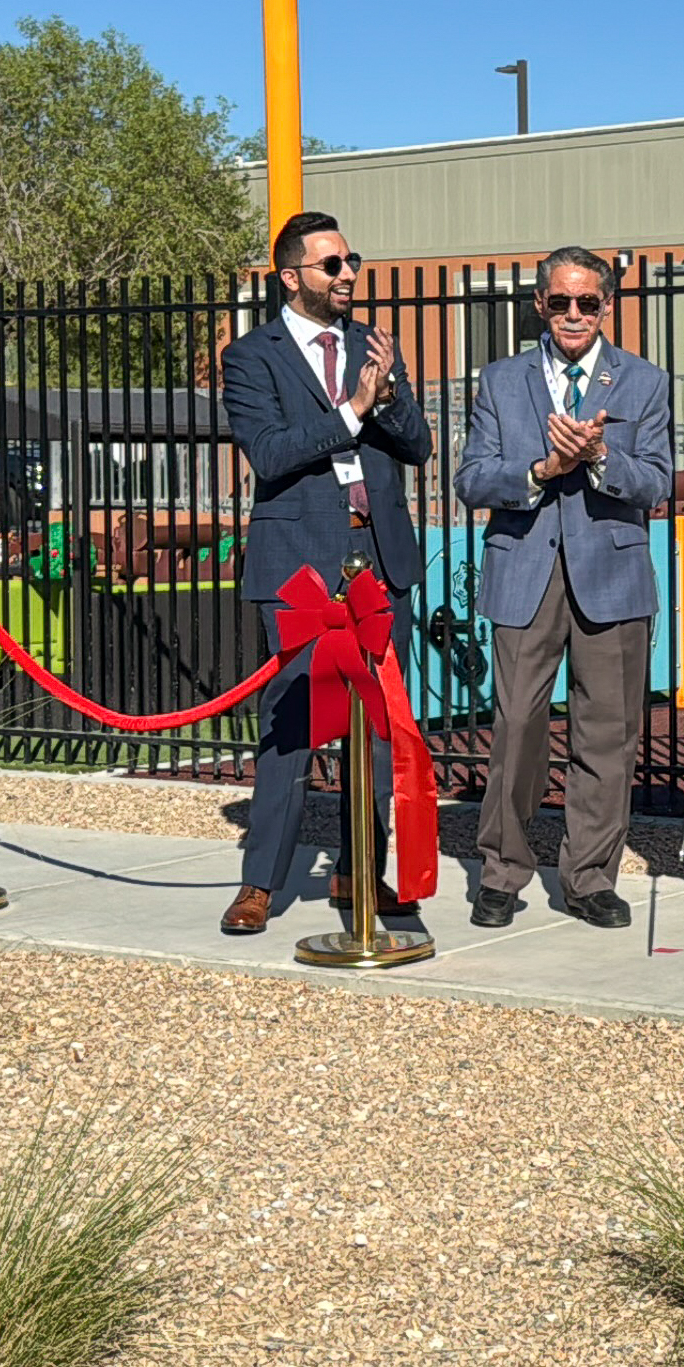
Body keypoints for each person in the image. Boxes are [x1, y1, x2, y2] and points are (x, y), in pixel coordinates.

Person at [218, 211, 434, 934]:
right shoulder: (253, 358)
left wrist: (392, 393)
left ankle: (361, 869)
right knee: (292, 724)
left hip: (378, 556)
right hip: (300, 566)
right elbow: (273, 453)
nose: (348, 275)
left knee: (377, 724)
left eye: (351, 262)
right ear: (291, 277)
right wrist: (353, 409)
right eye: (332, 265)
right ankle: (261, 883)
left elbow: (418, 447)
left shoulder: (371, 345)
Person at [454, 246, 672, 930]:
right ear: (540, 305)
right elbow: (472, 478)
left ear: (606, 306)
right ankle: (502, 871)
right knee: (517, 727)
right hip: (525, 568)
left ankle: (589, 878)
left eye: (587, 302)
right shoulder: (499, 380)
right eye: (560, 301)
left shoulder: (643, 381)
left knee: (607, 734)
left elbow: (658, 482)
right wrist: (544, 466)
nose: (573, 314)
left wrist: (602, 456)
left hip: (612, 572)